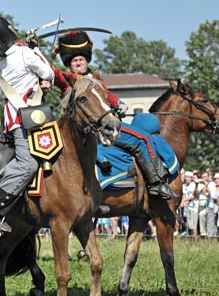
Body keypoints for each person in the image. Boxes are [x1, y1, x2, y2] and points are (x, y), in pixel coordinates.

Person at [51, 31, 178, 199]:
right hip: (85, 130)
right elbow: (50, 71)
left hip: (105, 126)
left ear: (87, 60)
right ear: (69, 64)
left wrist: (118, 103)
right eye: (74, 60)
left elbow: (108, 96)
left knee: (144, 136)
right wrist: (34, 51)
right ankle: (156, 183)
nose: (78, 62)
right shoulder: (67, 79)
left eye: (81, 59)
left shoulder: (95, 79)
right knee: (142, 139)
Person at [0, 0, 54, 233]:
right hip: (30, 119)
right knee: (27, 164)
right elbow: (48, 71)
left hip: (13, 118)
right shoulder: (25, 54)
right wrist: (36, 48)